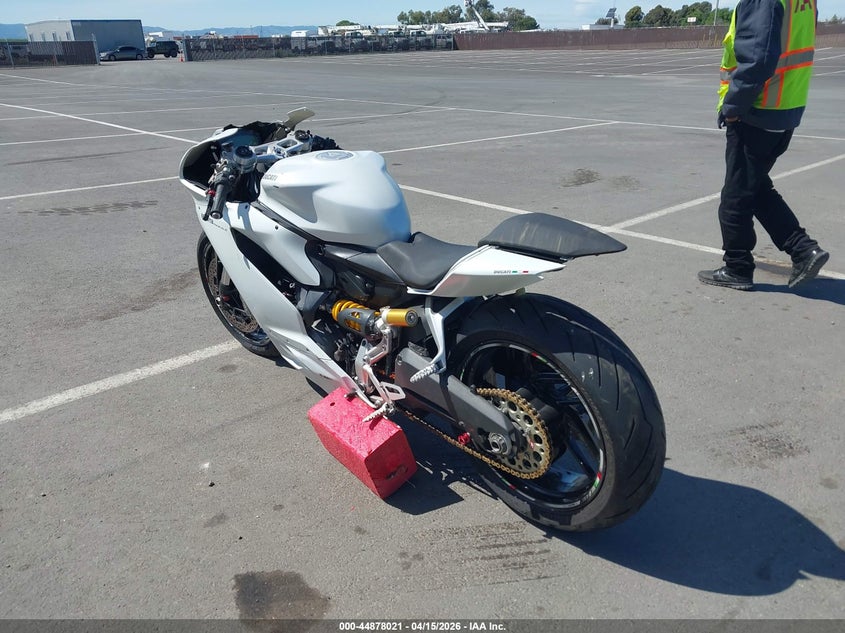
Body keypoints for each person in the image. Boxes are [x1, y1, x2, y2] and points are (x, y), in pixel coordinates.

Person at [698, 0, 829, 291]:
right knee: (754, 187)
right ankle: (803, 250)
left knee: (735, 198)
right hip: (787, 106)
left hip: (759, 110)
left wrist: (733, 106)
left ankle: (738, 267)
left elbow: (758, 57)